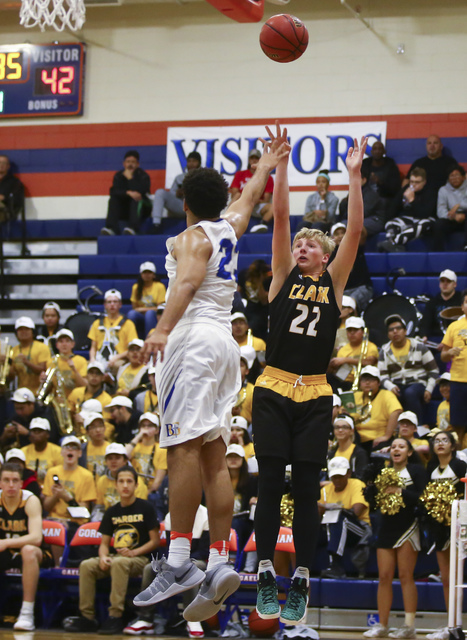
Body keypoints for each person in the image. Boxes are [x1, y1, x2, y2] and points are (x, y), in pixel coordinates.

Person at [133, 123, 289, 621]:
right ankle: (220, 559)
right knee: (213, 455)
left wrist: (159, 328)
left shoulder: (192, 239)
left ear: (184, 201)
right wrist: (266, 165)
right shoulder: (229, 227)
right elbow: (247, 200)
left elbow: (187, 283)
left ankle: (179, 560)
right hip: (226, 346)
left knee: (179, 446)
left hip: (195, 342)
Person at [251, 133, 366, 625]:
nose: (300, 246)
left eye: (309, 244)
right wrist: (279, 168)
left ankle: (299, 575)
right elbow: (280, 217)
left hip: (316, 392)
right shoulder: (281, 275)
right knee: (271, 483)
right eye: (298, 243)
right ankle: (261, 571)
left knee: (304, 490)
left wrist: (355, 177)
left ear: (324, 257)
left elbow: (355, 233)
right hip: (274, 388)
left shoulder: (334, 284)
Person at [64, 465, 160, 634]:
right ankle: (87, 617)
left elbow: (155, 541)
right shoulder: (112, 511)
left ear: (136, 485)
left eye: (129, 481)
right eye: (121, 481)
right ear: (116, 485)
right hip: (117, 556)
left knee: (119, 563)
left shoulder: (146, 508)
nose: (125, 485)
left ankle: (115, 616)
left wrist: (133, 553)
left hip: (140, 559)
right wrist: (102, 557)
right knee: (87, 565)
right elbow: (104, 543)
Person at [363, 438, 426, 639]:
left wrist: (401, 491)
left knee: (406, 576)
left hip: (408, 526)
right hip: (386, 527)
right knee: (384, 577)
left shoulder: (416, 471)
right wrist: (370, 489)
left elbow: (423, 497)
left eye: (402, 446)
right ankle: (382, 625)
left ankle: (409, 626)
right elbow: (373, 504)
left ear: (409, 452)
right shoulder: (382, 472)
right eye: (394, 447)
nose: (396, 449)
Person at [424, 431, 467, 640]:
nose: (440, 444)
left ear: (453, 446)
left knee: (458, 577)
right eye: (437, 441)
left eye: (445, 441)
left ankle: (458, 623)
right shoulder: (431, 468)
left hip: (459, 528)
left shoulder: (460, 467)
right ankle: (451, 624)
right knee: (447, 578)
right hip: (439, 528)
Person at [0, 462, 47, 631]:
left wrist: (5, 543)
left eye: (15, 480)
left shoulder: (30, 500)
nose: (11, 485)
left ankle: (27, 613)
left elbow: (36, 538)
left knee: (28, 550)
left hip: (35, 554)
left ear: (21, 483)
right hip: (7, 553)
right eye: (6, 480)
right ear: (0, 483)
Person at [378, 314, 439, 422]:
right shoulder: (384, 351)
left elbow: (434, 371)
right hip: (396, 385)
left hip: (417, 383)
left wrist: (429, 389)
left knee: (410, 393)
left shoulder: (419, 346)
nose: (395, 331)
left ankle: (417, 427)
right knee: (386, 394)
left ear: (405, 331)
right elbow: (382, 375)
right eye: (391, 330)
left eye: (398, 328)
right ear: (388, 335)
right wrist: (390, 386)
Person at [319, 456, 371, 579]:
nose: (337, 480)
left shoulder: (357, 484)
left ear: (348, 473)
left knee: (339, 519)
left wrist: (334, 508)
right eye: (334, 476)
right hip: (331, 527)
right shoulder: (326, 490)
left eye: (340, 476)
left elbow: (357, 511)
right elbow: (318, 515)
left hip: (359, 529)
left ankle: (336, 566)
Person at [42, 435, 97, 537]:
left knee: (62, 529)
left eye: (75, 448)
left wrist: (67, 498)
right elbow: (46, 507)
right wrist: (56, 496)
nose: (70, 450)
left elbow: (84, 512)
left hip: (76, 522)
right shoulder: (52, 472)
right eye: (67, 447)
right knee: (54, 528)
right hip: (54, 520)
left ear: (80, 453)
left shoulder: (86, 476)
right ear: (62, 452)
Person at [380, 168, 437, 251]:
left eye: (417, 182)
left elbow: (425, 213)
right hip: (408, 218)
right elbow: (394, 207)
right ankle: (397, 247)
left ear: (424, 182)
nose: (413, 185)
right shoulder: (406, 189)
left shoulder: (430, 191)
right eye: (411, 181)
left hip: (425, 219)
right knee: (390, 223)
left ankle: (393, 242)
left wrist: (412, 200)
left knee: (423, 224)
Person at [350, 365, 403, 454]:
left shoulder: (386, 395)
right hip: (356, 438)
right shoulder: (355, 396)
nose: (367, 382)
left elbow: (396, 411)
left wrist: (387, 436)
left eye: (371, 379)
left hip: (376, 439)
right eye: (364, 380)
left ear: (378, 383)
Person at [101, 150, 152, 236]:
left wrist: (130, 179)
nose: (130, 164)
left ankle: (133, 228)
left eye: (133, 162)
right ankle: (111, 228)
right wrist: (128, 193)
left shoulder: (143, 176)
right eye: (128, 162)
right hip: (125, 208)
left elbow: (141, 191)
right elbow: (113, 191)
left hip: (142, 208)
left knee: (136, 198)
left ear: (137, 164)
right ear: (124, 163)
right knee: (113, 199)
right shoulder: (119, 176)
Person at [150, 151, 202, 233]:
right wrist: (177, 193)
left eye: (194, 161)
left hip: (197, 208)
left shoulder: (204, 177)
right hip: (181, 206)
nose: (191, 164)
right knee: (160, 192)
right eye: (189, 161)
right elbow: (171, 194)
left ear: (199, 163)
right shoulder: (180, 178)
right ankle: (156, 225)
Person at [440, 290, 467, 443]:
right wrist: (449, 351)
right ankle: (457, 459)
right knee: (458, 424)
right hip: (458, 381)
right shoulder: (454, 327)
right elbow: (443, 356)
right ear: (462, 307)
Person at [88, 289, 138, 368]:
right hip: (100, 358)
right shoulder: (97, 323)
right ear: (105, 304)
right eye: (109, 302)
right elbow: (93, 347)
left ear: (120, 304)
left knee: (117, 365)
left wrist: (117, 357)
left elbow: (132, 348)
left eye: (115, 302)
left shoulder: (128, 324)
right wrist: (92, 359)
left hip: (119, 359)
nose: (112, 304)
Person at [330, 223, 374, 313]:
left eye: (343, 233)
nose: (340, 236)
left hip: (361, 288)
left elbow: (362, 233)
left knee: (350, 303)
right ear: (331, 238)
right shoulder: (329, 257)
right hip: (341, 291)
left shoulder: (356, 248)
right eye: (336, 234)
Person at [229, 148, 274, 232]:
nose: (254, 160)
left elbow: (266, 199)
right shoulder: (240, 174)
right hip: (241, 203)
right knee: (237, 195)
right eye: (252, 158)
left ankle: (262, 225)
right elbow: (234, 193)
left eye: (256, 158)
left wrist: (253, 199)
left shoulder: (267, 177)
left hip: (256, 205)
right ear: (249, 160)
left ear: (260, 160)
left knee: (274, 207)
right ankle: (226, 221)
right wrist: (247, 199)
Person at [328, 317, 379, 390]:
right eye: (349, 330)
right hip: (344, 381)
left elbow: (370, 362)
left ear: (362, 332)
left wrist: (345, 360)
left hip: (364, 381)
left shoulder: (370, 346)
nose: (352, 333)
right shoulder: (343, 350)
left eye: (355, 330)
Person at [226, 443, 257, 551]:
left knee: (235, 523)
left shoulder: (252, 480)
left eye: (236, 457)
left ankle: (234, 557)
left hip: (243, 519)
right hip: (222, 518)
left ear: (243, 459)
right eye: (230, 457)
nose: (233, 459)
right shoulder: (218, 481)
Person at [339, 170, 385, 243]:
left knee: (348, 226)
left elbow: (364, 212)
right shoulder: (354, 192)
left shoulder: (371, 194)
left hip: (375, 220)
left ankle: (357, 253)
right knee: (340, 225)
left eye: (355, 179)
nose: (352, 182)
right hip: (362, 219)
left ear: (364, 180)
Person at [126, 412, 167, 492]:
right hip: (133, 489)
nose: (146, 429)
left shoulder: (162, 450)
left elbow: (158, 481)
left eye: (150, 426)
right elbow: (124, 455)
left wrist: (146, 493)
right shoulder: (135, 446)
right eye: (143, 426)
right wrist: (138, 436)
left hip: (150, 491)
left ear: (157, 430)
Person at [419, 270, 462, 342]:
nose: (445, 284)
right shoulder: (433, 302)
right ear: (439, 284)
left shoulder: (462, 300)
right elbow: (425, 323)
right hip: (438, 338)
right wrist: (423, 336)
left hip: (458, 337)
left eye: (448, 281)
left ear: (455, 284)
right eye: (442, 281)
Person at [43, 329, 88, 398]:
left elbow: (85, 385)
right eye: (61, 341)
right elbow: (50, 387)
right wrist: (44, 380)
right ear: (57, 345)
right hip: (58, 400)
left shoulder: (81, 360)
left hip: (77, 398)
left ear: (73, 344)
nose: (64, 344)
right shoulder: (51, 362)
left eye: (67, 341)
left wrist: (74, 369)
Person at [10, 317, 49, 394]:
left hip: (38, 393)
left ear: (33, 332)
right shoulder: (13, 350)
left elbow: (44, 370)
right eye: (20, 329)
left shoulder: (42, 347)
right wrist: (7, 363)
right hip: (20, 393)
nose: (23, 332)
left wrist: (27, 363)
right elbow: (11, 377)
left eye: (26, 329)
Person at [128, 261, 167, 338]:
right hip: (141, 316)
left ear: (153, 275)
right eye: (144, 272)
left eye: (149, 272)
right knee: (131, 314)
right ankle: (133, 340)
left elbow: (160, 308)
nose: (147, 275)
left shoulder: (159, 286)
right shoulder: (136, 287)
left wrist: (142, 309)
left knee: (149, 313)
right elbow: (135, 308)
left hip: (154, 316)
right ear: (141, 274)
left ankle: (149, 339)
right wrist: (141, 310)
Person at [433, 165, 467, 251]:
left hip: (465, 216)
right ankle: (438, 252)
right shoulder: (443, 190)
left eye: (457, 175)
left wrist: (459, 206)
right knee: (439, 224)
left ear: (463, 177)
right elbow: (440, 210)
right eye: (451, 175)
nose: (454, 178)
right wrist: (454, 216)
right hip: (452, 218)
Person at [21, 416, 62, 486]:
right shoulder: (23, 451)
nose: (36, 434)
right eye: (34, 431)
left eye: (40, 431)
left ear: (47, 434)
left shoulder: (58, 451)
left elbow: (61, 475)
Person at [327, 414, 368, 480]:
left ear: (352, 431)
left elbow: (361, 478)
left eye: (344, 427)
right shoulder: (331, 454)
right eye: (337, 427)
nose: (340, 430)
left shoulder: (359, 453)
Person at [78, 412, 110, 478]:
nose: (98, 430)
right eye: (93, 427)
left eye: (100, 426)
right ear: (87, 432)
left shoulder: (111, 448)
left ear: (104, 428)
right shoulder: (82, 449)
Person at [231, 346, 255, 424]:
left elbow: (256, 422)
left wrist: (239, 416)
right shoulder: (222, 389)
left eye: (241, 365)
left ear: (247, 371)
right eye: (235, 365)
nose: (237, 368)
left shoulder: (253, 390)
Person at [0, 154, 24, 222]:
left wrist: (4, 198)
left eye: (4, 163)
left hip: (5, 212)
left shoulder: (15, 183)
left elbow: (17, 201)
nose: (1, 165)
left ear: (8, 166)